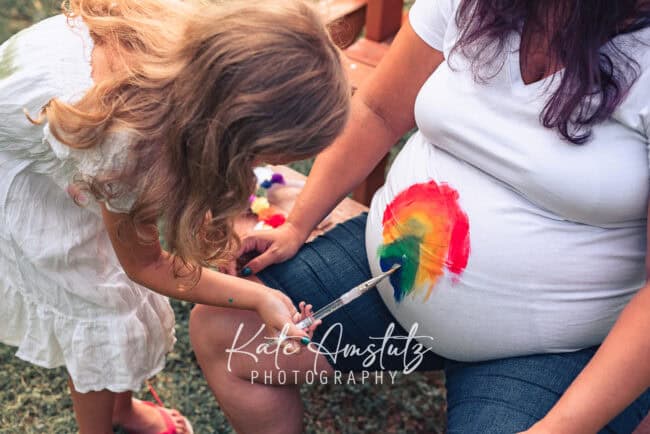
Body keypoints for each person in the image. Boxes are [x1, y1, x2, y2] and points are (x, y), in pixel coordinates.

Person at [189, 0, 650, 433]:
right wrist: (296, 224)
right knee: (225, 330)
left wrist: (558, 427)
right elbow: (378, 110)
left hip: (551, 350)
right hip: (387, 279)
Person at [0, 0, 349, 433]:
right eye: (260, 156)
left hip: (68, 143)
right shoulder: (125, 146)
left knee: (113, 295)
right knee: (100, 312)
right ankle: (100, 426)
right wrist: (258, 297)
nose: (261, 167)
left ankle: (121, 410)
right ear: (231, 134)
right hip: (27, 176)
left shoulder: (188, 50)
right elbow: (144, 265)